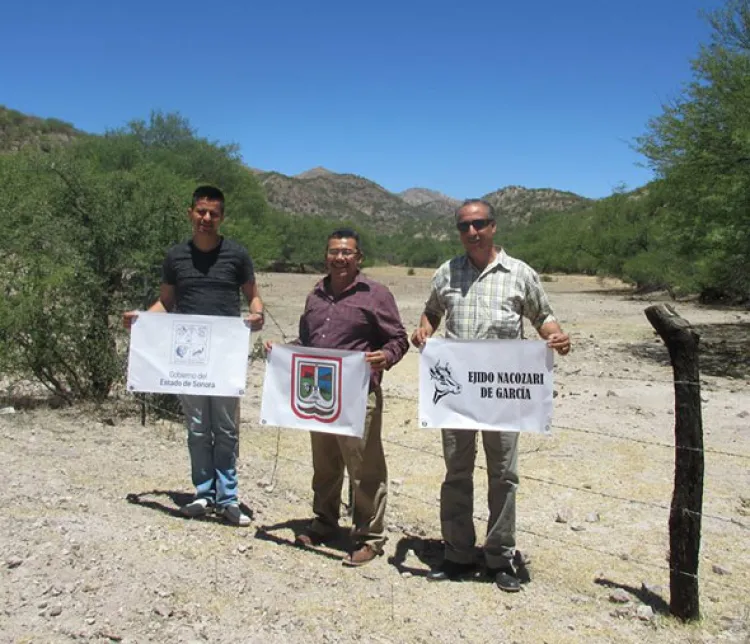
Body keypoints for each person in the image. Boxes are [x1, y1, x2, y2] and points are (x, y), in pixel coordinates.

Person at [411, 199, 571, 592]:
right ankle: (458, 554)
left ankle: (500, 557)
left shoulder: (520, 274)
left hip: (502, 394)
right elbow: (432, 311)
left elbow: (542, 316)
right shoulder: (446, 272)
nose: (471, 232)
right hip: (458, 394)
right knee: (457, 473)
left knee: (504, 474)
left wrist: (556, 335)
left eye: (479, 224)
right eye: (464, 226)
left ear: (494, 226)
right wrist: (423, 330)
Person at [123, 185, 264, 527]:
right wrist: (142, 320)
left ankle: (228, 498)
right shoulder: (176, 257)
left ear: (222, 217)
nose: (206, 218)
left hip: (225, 357)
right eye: (201, 212)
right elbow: (165, 303)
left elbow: (254, 298)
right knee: (198, 427)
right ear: (191, 213)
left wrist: (257, 315)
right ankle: (203, 493)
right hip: (188, 357)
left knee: (227, 428)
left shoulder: (236, 255)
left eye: (213, 213)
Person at [268, 228, 408, 566]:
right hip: (322, 392)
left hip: (359, 393)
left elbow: (398, 339)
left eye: (347, 252)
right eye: (334, 252)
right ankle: (324, 522)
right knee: (325, 462)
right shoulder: (315, 295)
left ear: (359, 258)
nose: (340, 258)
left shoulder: (376, 294)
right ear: (326, 255)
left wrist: (385, 357)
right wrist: (284, 351)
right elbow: (308, 341)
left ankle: (369, 537)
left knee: (364, 467)